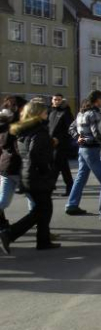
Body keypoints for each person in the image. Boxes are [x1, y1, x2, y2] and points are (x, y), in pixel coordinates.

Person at [0, 100, 59, 253]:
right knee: (41, 210)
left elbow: (24, 152)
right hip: (37, 175)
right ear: (38, 113)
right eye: (45, 112)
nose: (47, 114)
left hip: (27, 172)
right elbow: (35, 154)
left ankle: (43, 240)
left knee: (43, 209)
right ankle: (10, 233)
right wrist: (47, 167)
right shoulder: (39, 131)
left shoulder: (22, 129)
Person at [0, 96, 26, 231]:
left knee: (3, 201)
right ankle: (42, 230)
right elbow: (19, 148)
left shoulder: (4, 123)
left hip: (5, 165)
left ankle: (43, 230)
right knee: (37, 202)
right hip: (15, 166)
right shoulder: (15, 125)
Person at [48, 93, 74, 197]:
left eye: (59, 99)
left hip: (61, 144)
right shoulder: (50, 111)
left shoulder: (66, 112)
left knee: (55, 166)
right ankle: (70, 187)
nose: (57, 101)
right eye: (55, 99)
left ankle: (49, 188)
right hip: (50, 143)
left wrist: (59, 139)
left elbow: (70, 129)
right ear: (52, 100)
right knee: (63, 167)